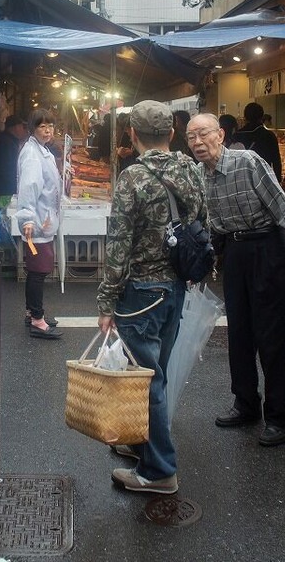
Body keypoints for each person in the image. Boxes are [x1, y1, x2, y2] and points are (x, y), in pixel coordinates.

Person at [189, 112, 285, 447]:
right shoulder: (201, 176)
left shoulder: (248, 162)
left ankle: (280, 416)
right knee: (240, 334)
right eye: (191, 138)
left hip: (266, 249)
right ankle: (246, 403)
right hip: (235, 253)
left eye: (203, 134)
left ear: (221, 134)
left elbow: (281, 204)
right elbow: (210, 227)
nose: (198, 143)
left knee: (270, 336)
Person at [98, 100, 206, 494]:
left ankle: (159, 471)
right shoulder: (190, 171)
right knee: (152, 374)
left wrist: (106, 302)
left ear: (132, 134)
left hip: (141, 292)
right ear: (172, 133)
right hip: (176, 288)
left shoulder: (132, 179)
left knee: (145, 382)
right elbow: (202, 224)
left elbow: (118, 244)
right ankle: (142, 445)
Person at [15, 108, 63, 339]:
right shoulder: (33, 154)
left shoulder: (41, 150)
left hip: (43, 220)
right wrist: (27, 219)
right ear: (33, 129)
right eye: (42, 126)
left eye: (50, 126)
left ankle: (31, 313)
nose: (47, 130)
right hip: (36, 223)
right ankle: (37, 319)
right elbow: (29, 188)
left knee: (36, 269)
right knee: (38, 271)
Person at [233, 102, 282, 180]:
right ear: (261, 117)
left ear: (245, 117)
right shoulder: (269, 135)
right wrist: (278, 180)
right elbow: (276, 162)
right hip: (263, 179)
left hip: (241, 180)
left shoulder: (236, 136)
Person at [0, 115, 27, 207]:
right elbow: (8, 169)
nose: (24, 130)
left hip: (7, 189)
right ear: (15, 127)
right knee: (6, 216)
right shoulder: (6, 143)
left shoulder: (11, 141)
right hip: (6, 191)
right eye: (22, 127)